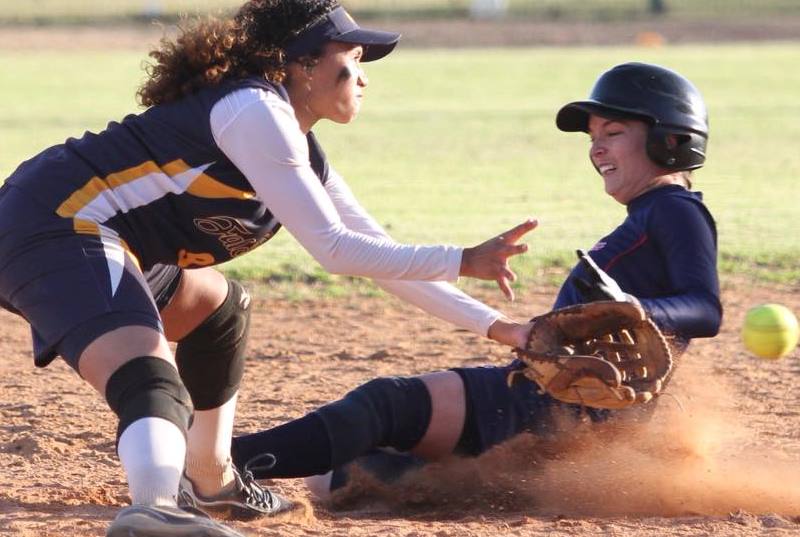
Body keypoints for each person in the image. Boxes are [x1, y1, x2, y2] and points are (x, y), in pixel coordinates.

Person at [0, 2, 537, 536]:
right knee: (148, 372)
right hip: (55, 224)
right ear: (302, 65)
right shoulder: (253, 112)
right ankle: (155, 508)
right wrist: (462, 259)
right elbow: (335, 250)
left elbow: (378, 254)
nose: (363, 77)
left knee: (221, 310)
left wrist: (502, 329)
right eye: (351, 56)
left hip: (105, 239)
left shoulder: (294, 143)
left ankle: (211, 481)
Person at [228, 62, 724, 501]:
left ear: (671, 141)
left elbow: (705, 308)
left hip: (550, 406)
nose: (596, 147)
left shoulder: (675, 209)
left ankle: (215, 463)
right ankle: (339, 477)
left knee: (384, 405)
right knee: (361, 473)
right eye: (593, 136)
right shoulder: (650, 215)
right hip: (558, 413)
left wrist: (636, 307)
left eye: (612, 132)